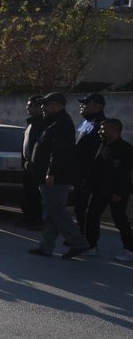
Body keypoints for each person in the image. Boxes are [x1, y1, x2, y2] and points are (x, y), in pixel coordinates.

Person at [26, 93, 88, 258]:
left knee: (56, 211)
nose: (43, 108)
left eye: (46, 104)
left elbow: (59, 152)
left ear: (58, 105)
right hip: (48, 176)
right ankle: (46, 246)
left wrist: (51, 173)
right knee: (50, 212)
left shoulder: (62, 124)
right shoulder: (53, 122)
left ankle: (79, 242)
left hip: (56, 177)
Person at [80, 118, 133, 262]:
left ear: (114, 130)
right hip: (98, 189)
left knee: (120, 220)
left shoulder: (126, 149)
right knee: (91, 216)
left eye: (103, 129)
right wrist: (88, 184)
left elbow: (126, 174)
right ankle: (91, 246)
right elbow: (96, 167)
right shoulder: (103, 145)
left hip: (116, 192)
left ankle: (129, 250)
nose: (100, 132)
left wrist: (119, 192)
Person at [72, 94, 108, 238]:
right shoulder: (85, 123)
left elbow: (99, 153)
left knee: (87, 210)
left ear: (96, 106)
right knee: (78, 208)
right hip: (78, 172)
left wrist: (89, 175)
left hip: (89, 175)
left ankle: (89, 241)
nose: (81, 106)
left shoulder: (102, 125)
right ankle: (81, 236)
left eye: (85, 104)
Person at [20, 95, 45, 229]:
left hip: (36, 165)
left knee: (35, 195)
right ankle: (28, 218)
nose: (27, 108)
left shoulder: (42, 124)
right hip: (27, 164)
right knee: (27, 194)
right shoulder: (31, 123)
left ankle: (36, 220)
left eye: (30, 105)